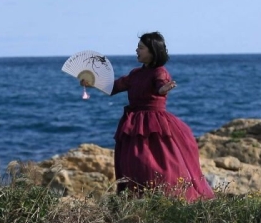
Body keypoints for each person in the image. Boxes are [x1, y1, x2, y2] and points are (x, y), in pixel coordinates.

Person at [82, 32, 214, 202]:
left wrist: (164, 89)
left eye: (141, 48)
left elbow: (160, 87)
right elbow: (114, 87)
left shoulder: (160, 72)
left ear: (153, 51)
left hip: (154, 124)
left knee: (157, 164)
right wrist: (92, 83)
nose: (136, 50)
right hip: (134, 125)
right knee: (132, 163)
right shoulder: (135, 74)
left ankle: (166, 198)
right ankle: (137, 198)